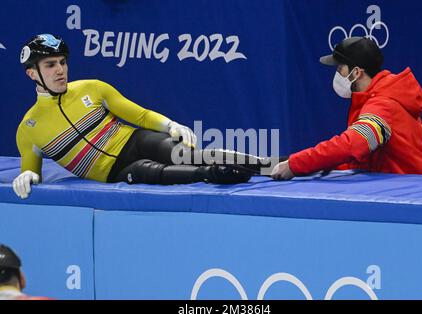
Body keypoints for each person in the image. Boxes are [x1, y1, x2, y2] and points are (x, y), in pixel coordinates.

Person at [13, 34, 265, 199]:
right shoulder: (29, 128)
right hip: (113, 171)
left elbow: (141, 115)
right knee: (152, 172)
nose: (60, 70)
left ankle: (270, 164)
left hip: (134, 140)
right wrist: (28, 175)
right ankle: (213, 174)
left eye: (62, 62)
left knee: (187, 154)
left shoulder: (91, 88)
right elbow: (31, 172)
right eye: (50, 65)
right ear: (31, 74)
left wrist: (169, 125)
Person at [271, 36, 422, 180]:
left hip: (412, 199)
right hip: (405, 189)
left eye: (339, 68)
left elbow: (353, 145)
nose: (337, 74)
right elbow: (362, 161)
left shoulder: (383, 105)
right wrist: (307, 164)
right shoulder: (381, 96)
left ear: (356, 72)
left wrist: (296, 164)